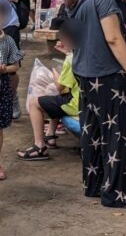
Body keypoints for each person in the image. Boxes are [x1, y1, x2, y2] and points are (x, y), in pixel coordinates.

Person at [69, 0, 126, 209]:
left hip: (85, 74)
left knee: (93, 131)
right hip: (108, 75)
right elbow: (113, 38)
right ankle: (118, 193)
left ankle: (94, 183)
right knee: (120, 133)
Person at [16, 18, 79, 161]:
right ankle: (50, 135)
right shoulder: (82, 53)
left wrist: (55, 71)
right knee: (53, 97)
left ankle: (39, 145)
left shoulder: (71, 59)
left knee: (35, 102)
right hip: (84, 98)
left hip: (75, 104)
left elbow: (60, 86)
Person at [0, 0, 24, 180]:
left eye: (2, 15)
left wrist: (3, 69)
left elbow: (15, 66)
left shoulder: (8, 41)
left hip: (1, 87)